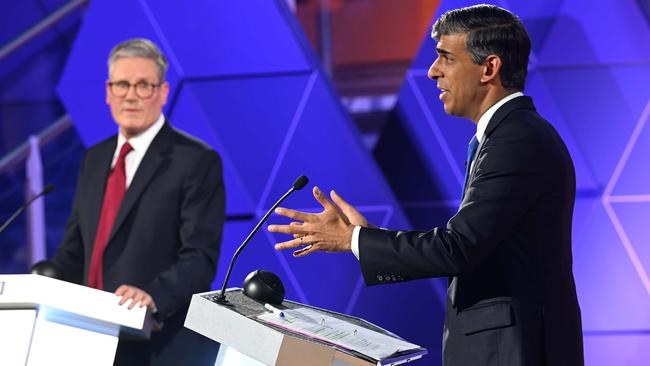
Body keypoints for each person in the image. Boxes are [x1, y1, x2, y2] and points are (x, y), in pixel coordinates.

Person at [268, 5, 583, 366]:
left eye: (446, 58)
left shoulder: (517, 140)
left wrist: (353, 240)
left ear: (489, 68)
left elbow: (456, 248)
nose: (433, 72)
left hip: (513, 352)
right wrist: (365, 237)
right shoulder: (507, 136)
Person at [50, 38, 224, 365]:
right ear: (108, 91)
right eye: (122, 85)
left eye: (144, 85)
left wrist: (153, 296)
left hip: (154, 344)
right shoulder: (95, 158)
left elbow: (199, 258)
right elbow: (75, 252)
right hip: (84, 337)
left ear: (163, 92)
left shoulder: (196, 161)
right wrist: (40, 285)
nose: (130, 95)